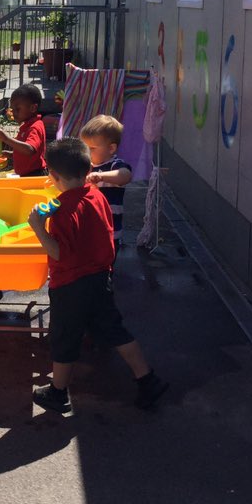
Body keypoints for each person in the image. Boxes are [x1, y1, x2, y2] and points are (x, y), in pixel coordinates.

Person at [27, 137, 167, 414]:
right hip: (100, 278)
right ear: (88, 167)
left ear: (53, 175)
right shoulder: (96, 195)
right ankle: (148, 379)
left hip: (70, 285)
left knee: (65, 337)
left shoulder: (64, 212)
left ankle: (58, 392)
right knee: (114, 329)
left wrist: (38, 227)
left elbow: (58, 253)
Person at [80, 114, 132, 247]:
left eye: (91, 148)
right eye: (84, 147)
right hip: (89, 227)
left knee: (106, 263)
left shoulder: (115, 165)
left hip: (110, 230)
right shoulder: (86, 166)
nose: (86, 152)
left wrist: (101, 176)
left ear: (111, 148)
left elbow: (125, 175)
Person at [0, 83, 47, 177]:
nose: (14, 113)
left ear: (33, 108)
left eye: (18, 109)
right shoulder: (26, 125)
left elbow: (30, 150)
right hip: (27, 174)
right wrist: (13, 154)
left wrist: (6, 139)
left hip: (34, 175)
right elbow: (27, 152)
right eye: (13, 110)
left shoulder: (35, 127)